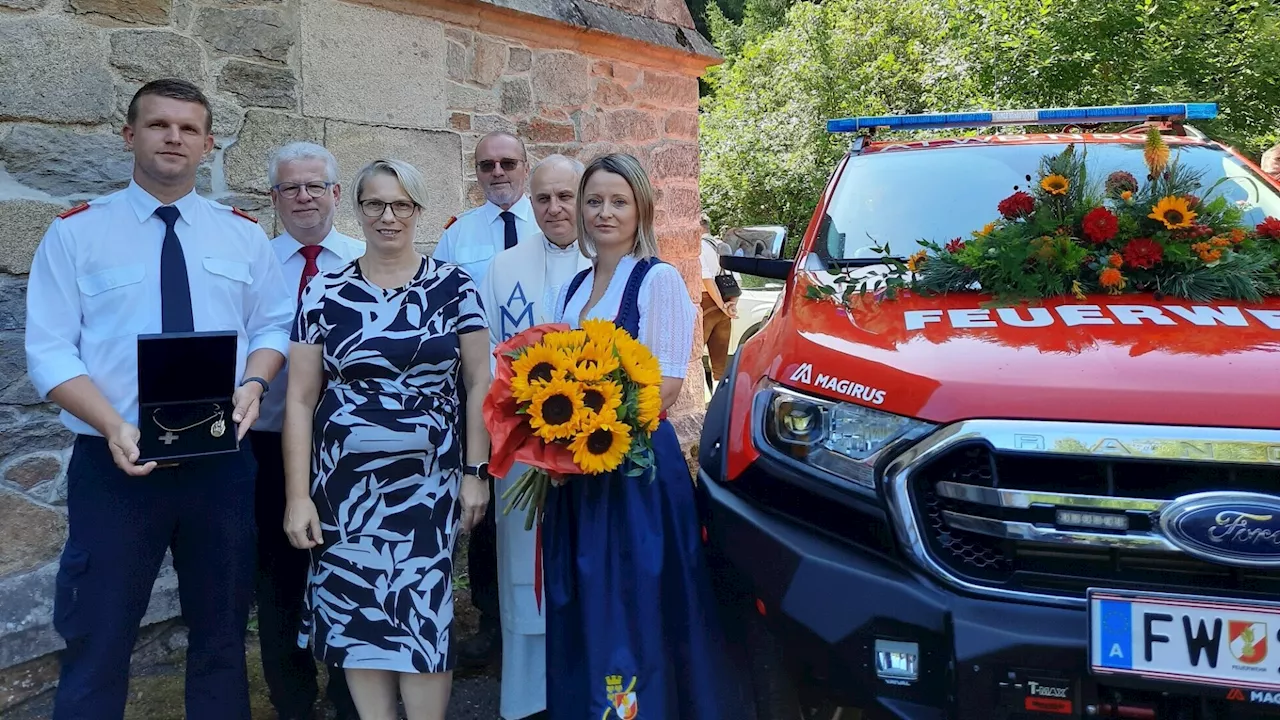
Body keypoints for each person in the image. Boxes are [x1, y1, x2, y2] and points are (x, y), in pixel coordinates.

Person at [24, 78, 294, 720]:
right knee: (97, 637)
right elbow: (51, 351)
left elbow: (273, 325)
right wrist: (114, 425)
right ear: (129, 136)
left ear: (206, 145)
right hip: (114, 466)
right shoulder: (76, 235)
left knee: (223, 637)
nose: (173, 137)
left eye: (188, 128)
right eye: (158, 125)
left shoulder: (242, 236)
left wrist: (255, 383)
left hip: (220, 467)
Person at [282, 158, 492, 720]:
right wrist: (298, 496)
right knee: (356, 613)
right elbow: (300, 399)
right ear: (358, 209)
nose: (388, 216)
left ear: (418, 211)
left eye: (401, 204)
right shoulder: (325, 290)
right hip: (344, 488)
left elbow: (479, 383)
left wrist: (476, 474)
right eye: (375, 204)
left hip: (428, 484)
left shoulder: (454, 285)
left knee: (423, 614)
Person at [543, 153, 748, 719]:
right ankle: (593, 706)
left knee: (628, 598)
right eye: (594, 201)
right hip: (578, 470)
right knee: (587, 594)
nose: (603, 213)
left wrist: (596, 426)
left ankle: (635, 711)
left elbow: (669, 384)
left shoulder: (655, 280)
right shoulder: (574, 287)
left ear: (641, 210)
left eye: (617, 201)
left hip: (631, 471)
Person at [477, 154, 591, 720]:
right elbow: (495, 362)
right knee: (524, 567)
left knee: (588, 565)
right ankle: (528, 699)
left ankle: (589, 686)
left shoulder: (613, 259)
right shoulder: (503, 266)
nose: (554, 208)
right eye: (542, 198)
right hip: (524, 449)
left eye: (565, 196)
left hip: (598, 449)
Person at [253, 141, 364, 720]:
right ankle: (292, 698)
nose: (303, 196)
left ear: (336, 194)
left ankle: (351, 694)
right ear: (274, 198)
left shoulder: (366, 259)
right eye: (290, 187)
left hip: (348, 449)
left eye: (315, 186)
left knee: (349, 571)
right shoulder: (255, 260)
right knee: (279, 576)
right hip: (269, 445)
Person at [432, 130, 539, 667]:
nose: (497, 173)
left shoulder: (551, 226)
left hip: (547, 389)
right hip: (481, 393)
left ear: (525, 165)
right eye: (486, 165)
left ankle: (546, 620)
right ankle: (492, 626)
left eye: (507, 163)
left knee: (546, 501)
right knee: (488, 509)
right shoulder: (459, 236)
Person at [700, 213, 736, 384]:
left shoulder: (698, 247)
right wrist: (730, 305)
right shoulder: (722, 245)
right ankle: (718, 403)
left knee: (695, 358)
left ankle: (700, 404)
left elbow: (706, 279)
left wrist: (720, 305)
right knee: (720, 365)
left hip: (706, 302)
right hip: (725, 303)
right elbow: (737, 278)